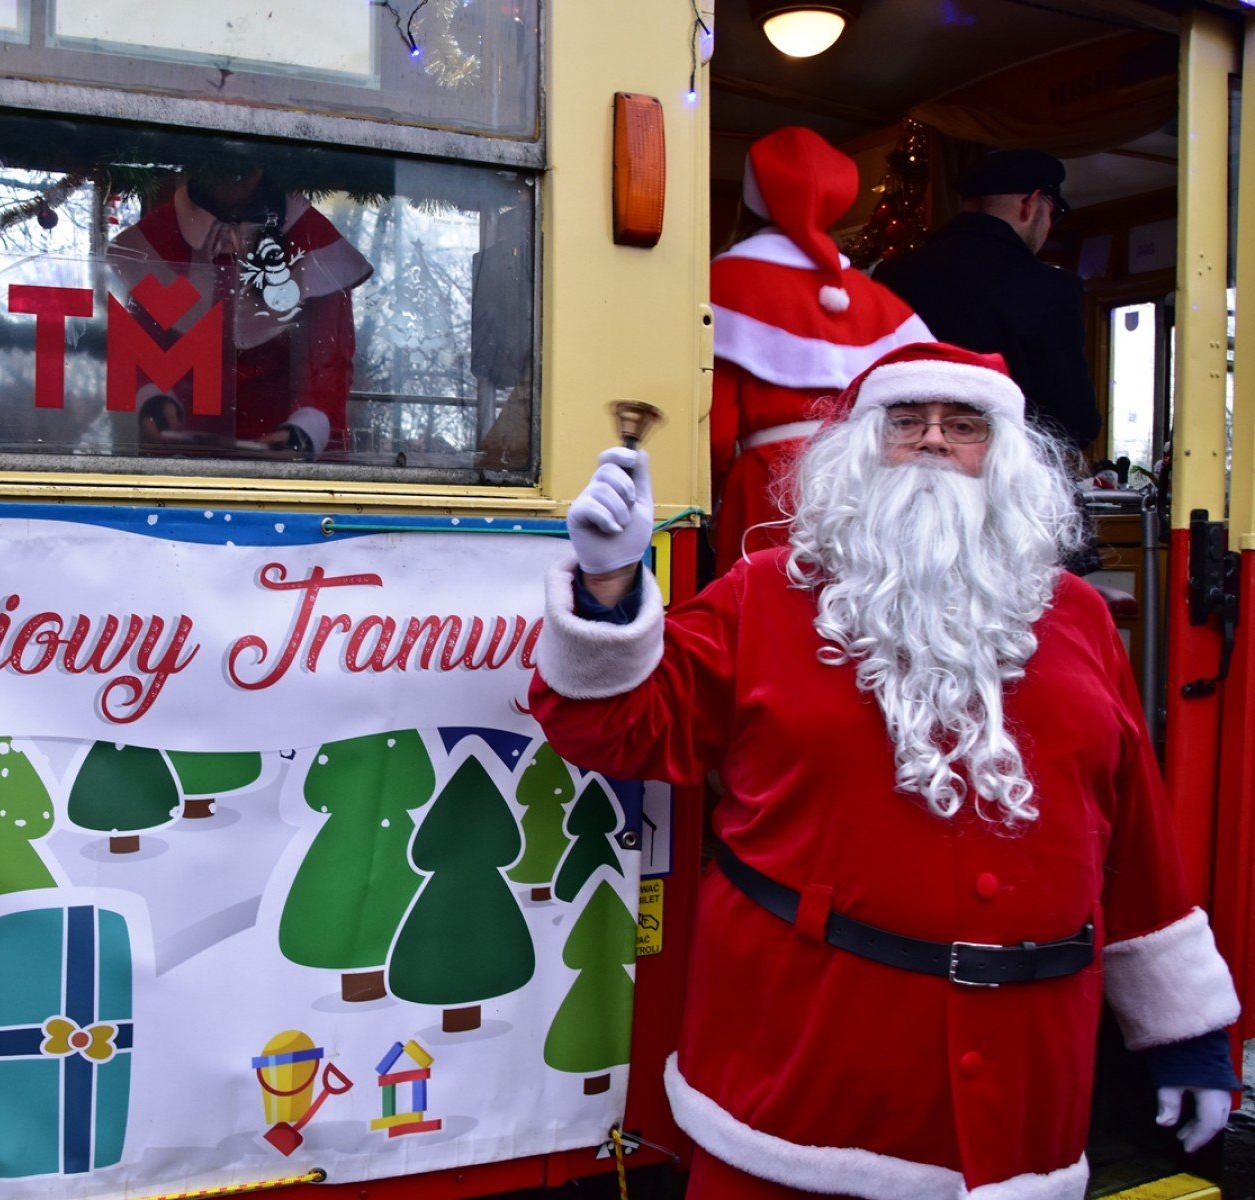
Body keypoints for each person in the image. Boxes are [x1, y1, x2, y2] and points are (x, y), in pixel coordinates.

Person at [531, 342, 1240, 1199]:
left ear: (1004, 455)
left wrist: (1185, 1034)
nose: (934, 441)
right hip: (801, 1098)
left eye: (963, 424)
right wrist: (608, 588)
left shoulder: (1080, 617)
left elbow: (1134, 837)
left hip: (1024, 1107)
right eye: (907, 421)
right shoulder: (762, 596)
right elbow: (612, 729)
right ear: (862, 450)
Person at [709, 126, 931, 567]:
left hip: (767, 489)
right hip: (866, 490)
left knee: (765, 616)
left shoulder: (725, 282)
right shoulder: (882, 301)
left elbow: (716, 432)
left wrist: (708, 499)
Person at [108, 160, 373, 459]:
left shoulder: (310, 236)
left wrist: (303, 431)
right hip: (180, 460)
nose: (232, 166)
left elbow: (328, 364)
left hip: (285, 468)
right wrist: (154, 403)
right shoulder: (158, 237)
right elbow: (140, 348)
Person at [873, 149, 1101, 453]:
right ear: (1031, 203)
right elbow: (1073, 421)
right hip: (998, 477)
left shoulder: (891, 275)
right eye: (1053, 213)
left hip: (902, 463)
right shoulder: (1050, 287)